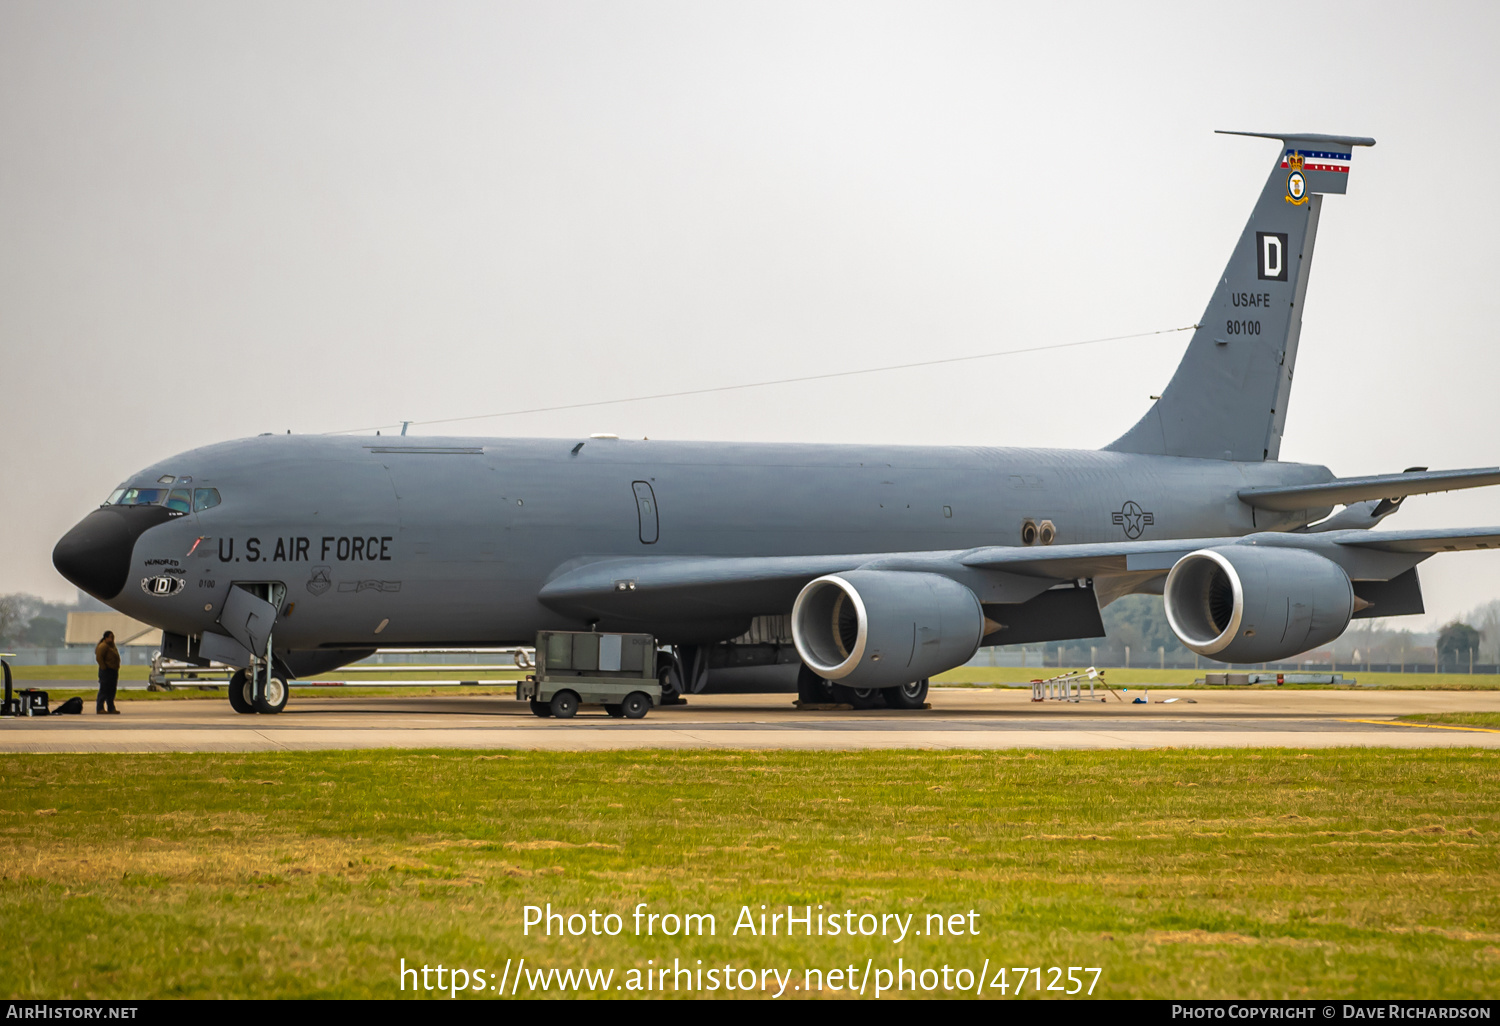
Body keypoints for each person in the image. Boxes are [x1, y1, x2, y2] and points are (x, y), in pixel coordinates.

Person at [95, 630, 120, 714]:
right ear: (106, 638)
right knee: (104, 690)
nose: (112, 639)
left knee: (112, 690)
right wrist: (104, 668)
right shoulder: (103, 646)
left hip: (113, 671)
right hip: (106, 671)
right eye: (111, 637)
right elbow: (99, 657)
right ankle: (100, 708)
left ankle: (111, 707)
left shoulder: (112, 646)